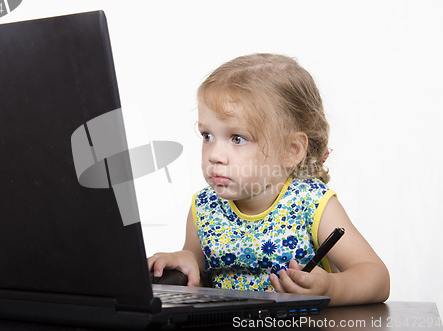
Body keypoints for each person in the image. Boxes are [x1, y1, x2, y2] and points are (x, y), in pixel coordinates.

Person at [147, 53, 389, 306]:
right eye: (207, 136)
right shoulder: (205, 206)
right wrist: (185, 258)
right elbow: (198, 262)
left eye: (237, 138)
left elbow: (376, 277)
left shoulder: (311, 203)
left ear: (291, 150)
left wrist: (330, 287)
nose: (215, 155)